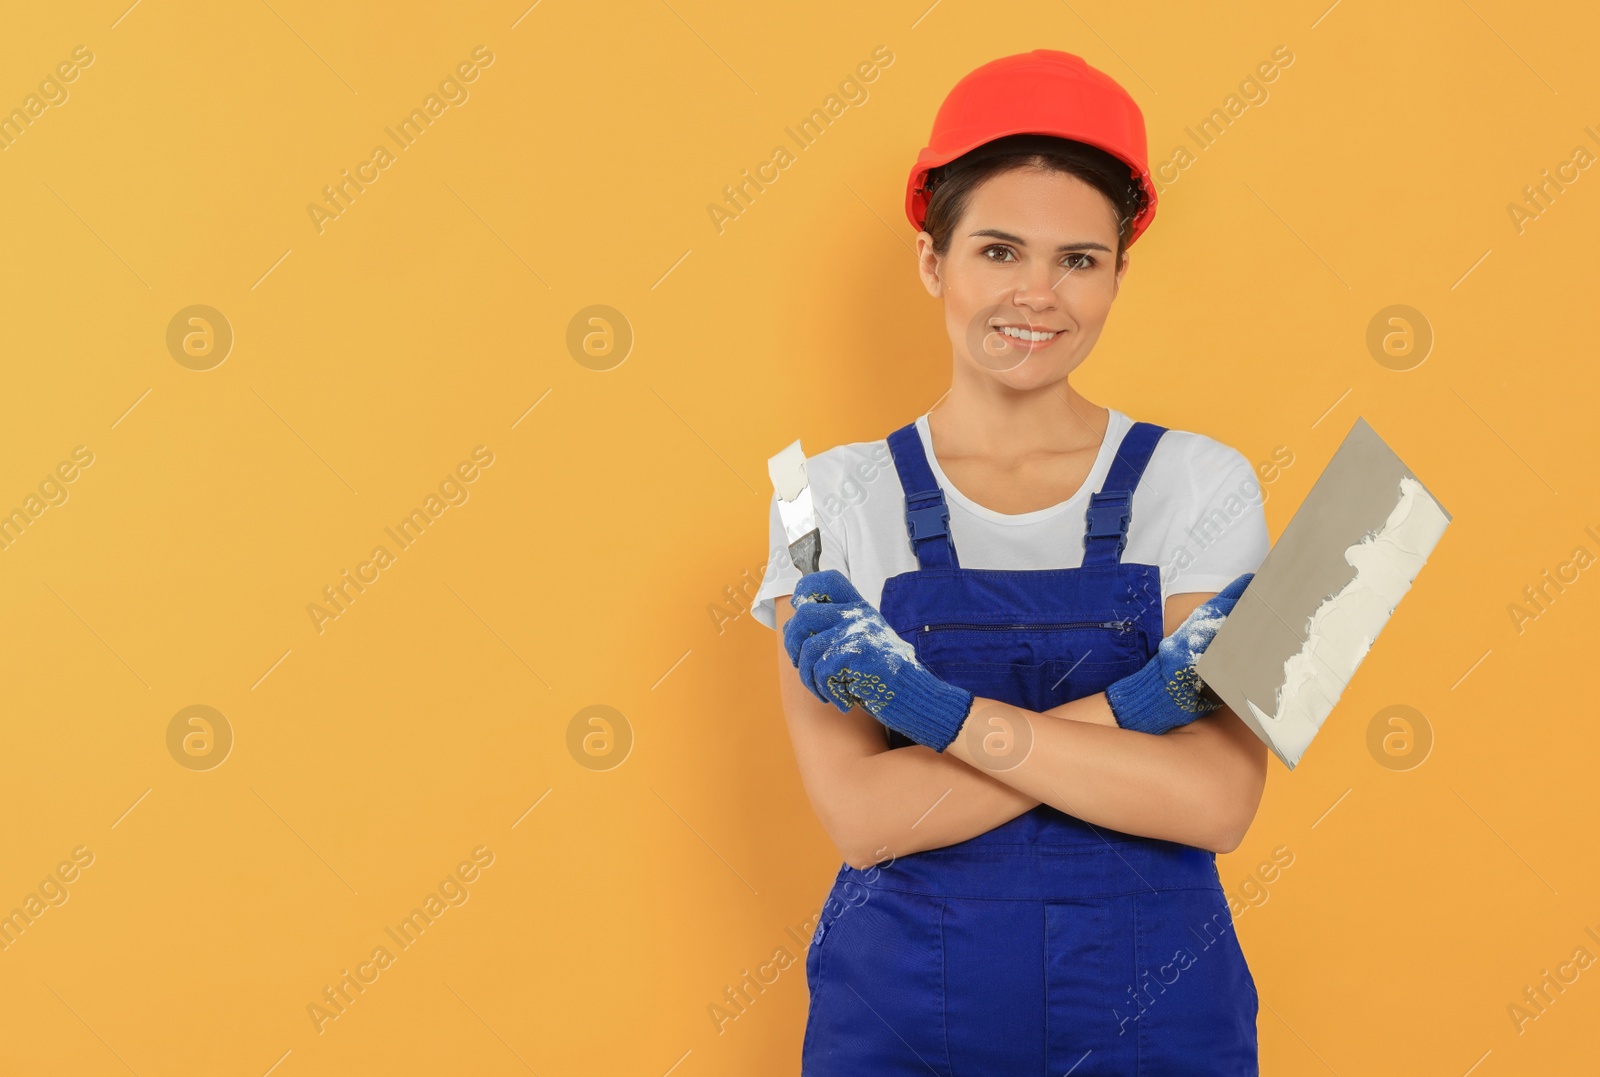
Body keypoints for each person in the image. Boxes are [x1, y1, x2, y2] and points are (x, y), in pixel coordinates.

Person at [750, 50, 1270, 1074]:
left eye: (1079, 259)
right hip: (900, 1019)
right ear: (931, 260)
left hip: (1157, 1022)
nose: (1037, 296)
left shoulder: (1206, 485)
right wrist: (1143, 705)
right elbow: (862, 821)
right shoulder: (820, 500)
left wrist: (929, 717)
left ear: (1119, 272)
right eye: (998, 250)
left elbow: (1214, 804)